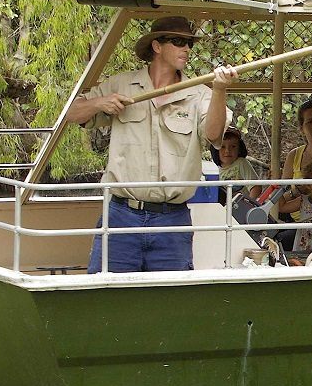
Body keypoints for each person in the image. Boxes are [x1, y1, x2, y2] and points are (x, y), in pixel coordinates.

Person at [66, 16, 237, 273]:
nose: (186, 49)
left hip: (172, 219)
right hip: (121, 215)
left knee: (169, 301)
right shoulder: (121, 84)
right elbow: (72, 114)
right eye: (178, 42)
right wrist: (99, 103)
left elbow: (214, 135)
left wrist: (220, 90)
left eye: (189, 43)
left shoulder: (201, 94)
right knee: (105, 296)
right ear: (157, 46)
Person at [212, 128, 261, 202]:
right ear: (215, 149)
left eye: (233, 146)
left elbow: (256, 187)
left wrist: (249, 204)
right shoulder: (213, 169)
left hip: (240, 208)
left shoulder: (241, 163)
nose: (227, 151)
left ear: (239, 149)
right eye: (223, 147)